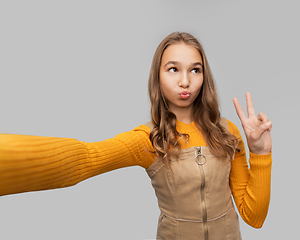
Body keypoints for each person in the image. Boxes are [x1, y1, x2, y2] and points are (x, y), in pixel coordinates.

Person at [0, 32, 272, 239]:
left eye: (195, 69)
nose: (185, 81)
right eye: (173, 69)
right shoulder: (149, 140)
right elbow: (87, 157)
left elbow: (254, 216)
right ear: (158, 76)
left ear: (204, 76)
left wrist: (260, 151)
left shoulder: (227, 133)